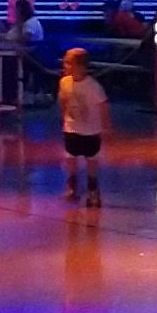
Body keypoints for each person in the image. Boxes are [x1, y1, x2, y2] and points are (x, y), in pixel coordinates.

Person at [54, 47, 111, 210]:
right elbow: (63, 100)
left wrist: (106, 126)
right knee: (70, 156)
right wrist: (63, 117)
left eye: (68, 62)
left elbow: (103, 105)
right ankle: (72, 184)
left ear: (80, 66)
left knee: (91, 159)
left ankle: (93, 188)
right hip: (71, 127)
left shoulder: (93, 86)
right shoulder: (64, 82)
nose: (64, 65)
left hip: (91, 130)